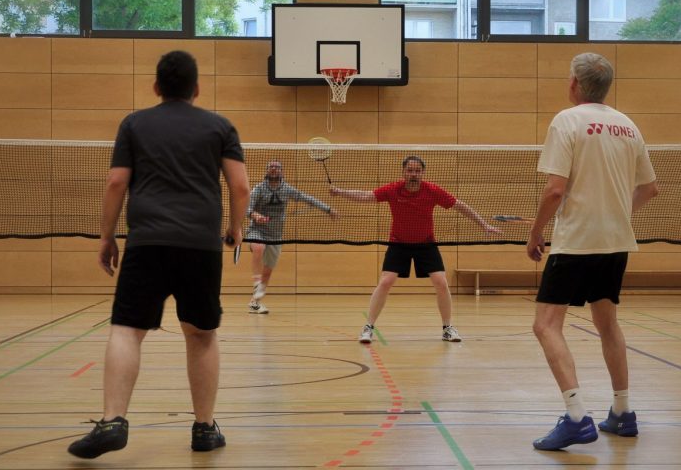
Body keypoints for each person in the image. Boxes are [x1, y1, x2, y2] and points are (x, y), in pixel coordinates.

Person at [67, 50, 250, 459]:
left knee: (127, 329)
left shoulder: (134, 123)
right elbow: (240, 187)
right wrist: (236, 229)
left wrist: (106, 237)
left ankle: (113, 420)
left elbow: (117, 182)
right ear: (196, 88)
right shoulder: (221, 126)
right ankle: (204, 429)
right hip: (201, 247)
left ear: (156, 87)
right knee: (201, 335)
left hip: (147, 242)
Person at [526, 53, 659, 451]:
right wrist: (615, 214)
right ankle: (622, 412)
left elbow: (554, 190)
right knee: (608, 324)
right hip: (616, 242)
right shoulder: (627, 125)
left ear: (573, 84)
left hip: (577, 242)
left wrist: (535, 234)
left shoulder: (566, 121)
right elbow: (651, 189)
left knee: (546, 325)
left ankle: (576, 417)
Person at [330, 156, 500, 343]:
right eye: (410, 170)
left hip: (425, 244)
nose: (413, 174)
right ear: (403, 172)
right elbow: (365, 196)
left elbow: (460, 206)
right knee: (386, 281)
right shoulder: (393, 189)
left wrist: (483, 225)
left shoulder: (432, 191)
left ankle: (447, 328)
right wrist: (340, 192)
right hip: (398, 243)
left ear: (423, 173)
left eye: (417, 171)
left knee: (441, 282)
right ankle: (368, 327)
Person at [246, 160, 339, 313]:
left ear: (282, 171)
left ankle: (255, 303)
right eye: (271, 167)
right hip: (257, 230)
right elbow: (246, 207)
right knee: (258, 246)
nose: (274, 169)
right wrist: (255, 215)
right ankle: (256, 282)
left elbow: (308, 198)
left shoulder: (287, 189)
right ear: (267, 171)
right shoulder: (259, 189)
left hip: (276, 235)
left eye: (277, 167)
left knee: (268, 271)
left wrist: (328, 209)